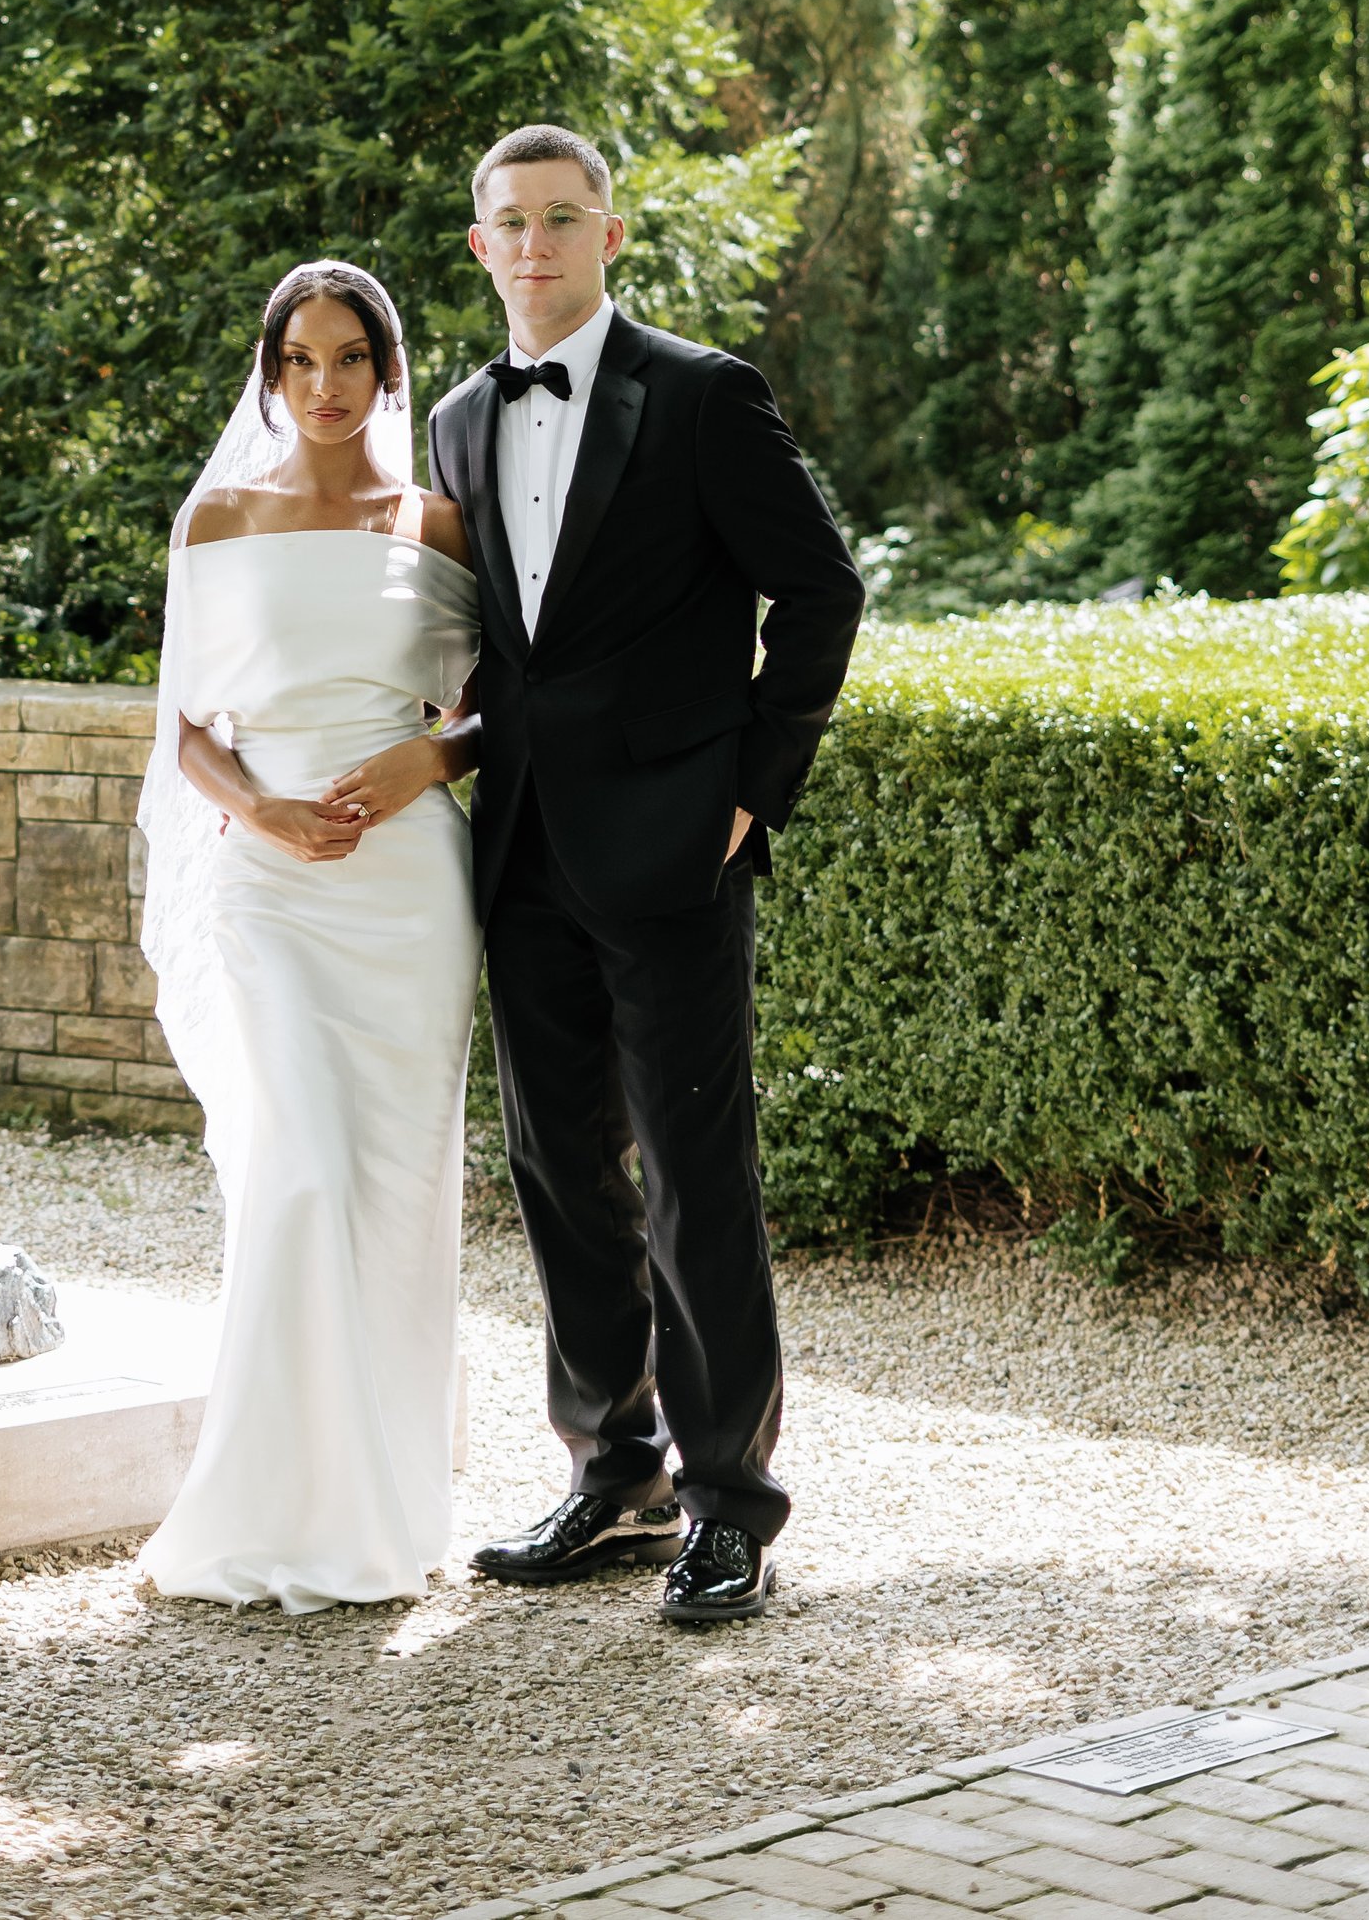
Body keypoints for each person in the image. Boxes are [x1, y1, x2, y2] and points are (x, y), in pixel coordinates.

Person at [427, 125, 863, 1623]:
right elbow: (494, 639)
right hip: (524, 846)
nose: (536, 243)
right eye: (511, 222)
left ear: (610, 234)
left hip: (678, 847)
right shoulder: (457, 419)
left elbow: (821, 587)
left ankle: (732, 1499)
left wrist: (752, 790)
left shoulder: (699, 395)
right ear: (478, 244)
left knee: (694, 1173)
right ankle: (615, 1471)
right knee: (558, 1171)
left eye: (564, 218)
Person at [136, 262, 482, 1611]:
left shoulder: (437, 523)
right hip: (271, 883)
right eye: (301, 361)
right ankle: (258, 1505)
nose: (326, 387)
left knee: (396, 1197)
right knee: (300, 1172)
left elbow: (497, 704)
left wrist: (426, 766)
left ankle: (387, 1508)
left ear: (389, 372)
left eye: (352, 360)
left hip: (408, 890)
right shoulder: (219, 514)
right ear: (271, 373)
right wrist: (264, 812)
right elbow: (182, 731)